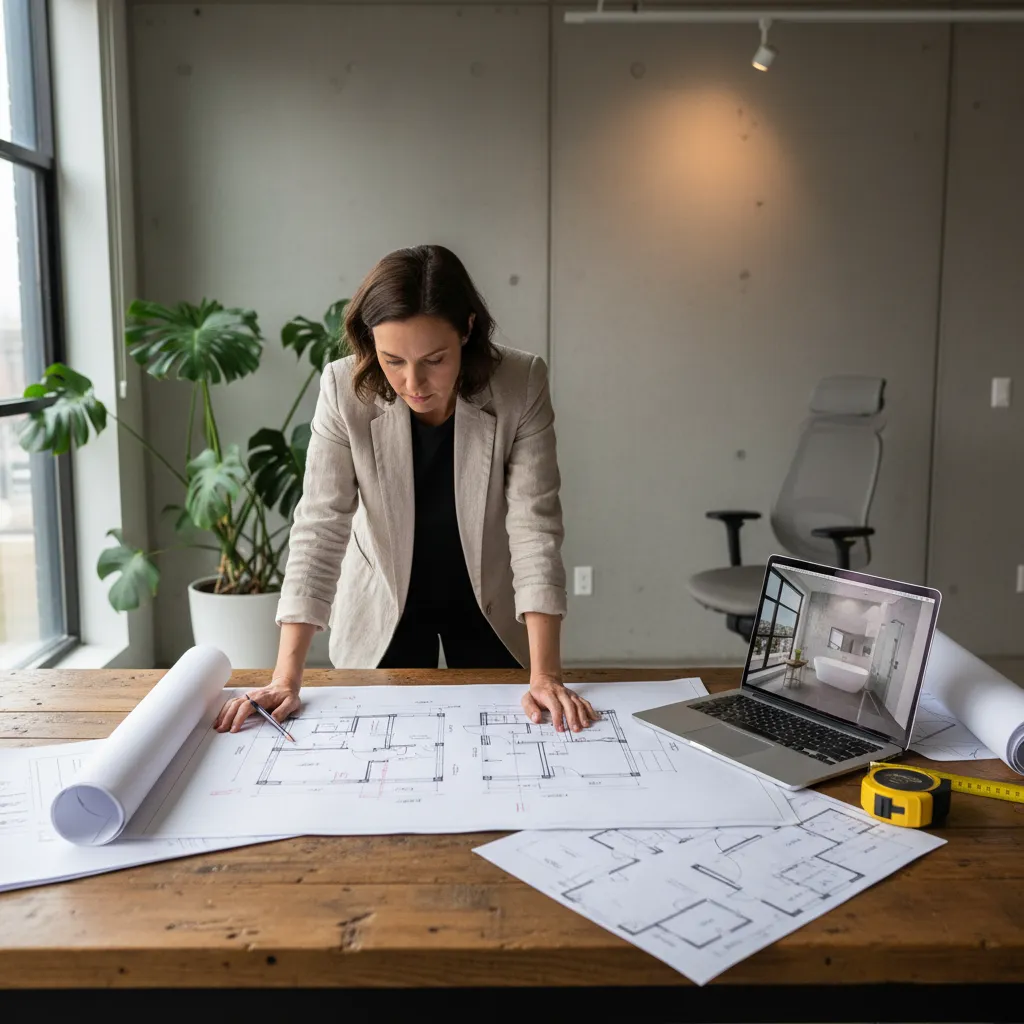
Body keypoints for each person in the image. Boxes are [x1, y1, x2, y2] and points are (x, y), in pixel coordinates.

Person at [215, 244, 597, 738]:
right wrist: (285, 678)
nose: (412, 383)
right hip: (383, 598)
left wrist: (546, 675)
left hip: (485, 595)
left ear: (468, 329)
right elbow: (320, 524)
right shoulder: (342, 387)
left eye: (434, 360)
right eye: (392, 360)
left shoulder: (520, 383)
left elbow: (534, 525)